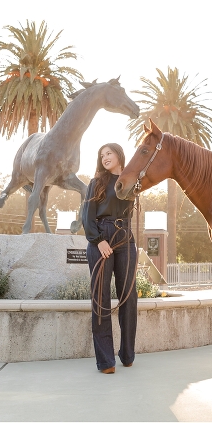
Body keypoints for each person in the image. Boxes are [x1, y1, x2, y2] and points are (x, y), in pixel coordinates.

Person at [81, 143, 138, 374]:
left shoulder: (130, 181)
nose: (105, 157)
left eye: (109, 153)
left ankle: (127, 354)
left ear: (119, 155)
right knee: (101, 298)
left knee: (129, 297)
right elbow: (87, 216)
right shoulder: (96, 183)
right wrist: (98, 240)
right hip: (101, 239)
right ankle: (106, 361)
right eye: (101, 155)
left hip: (125, 238)